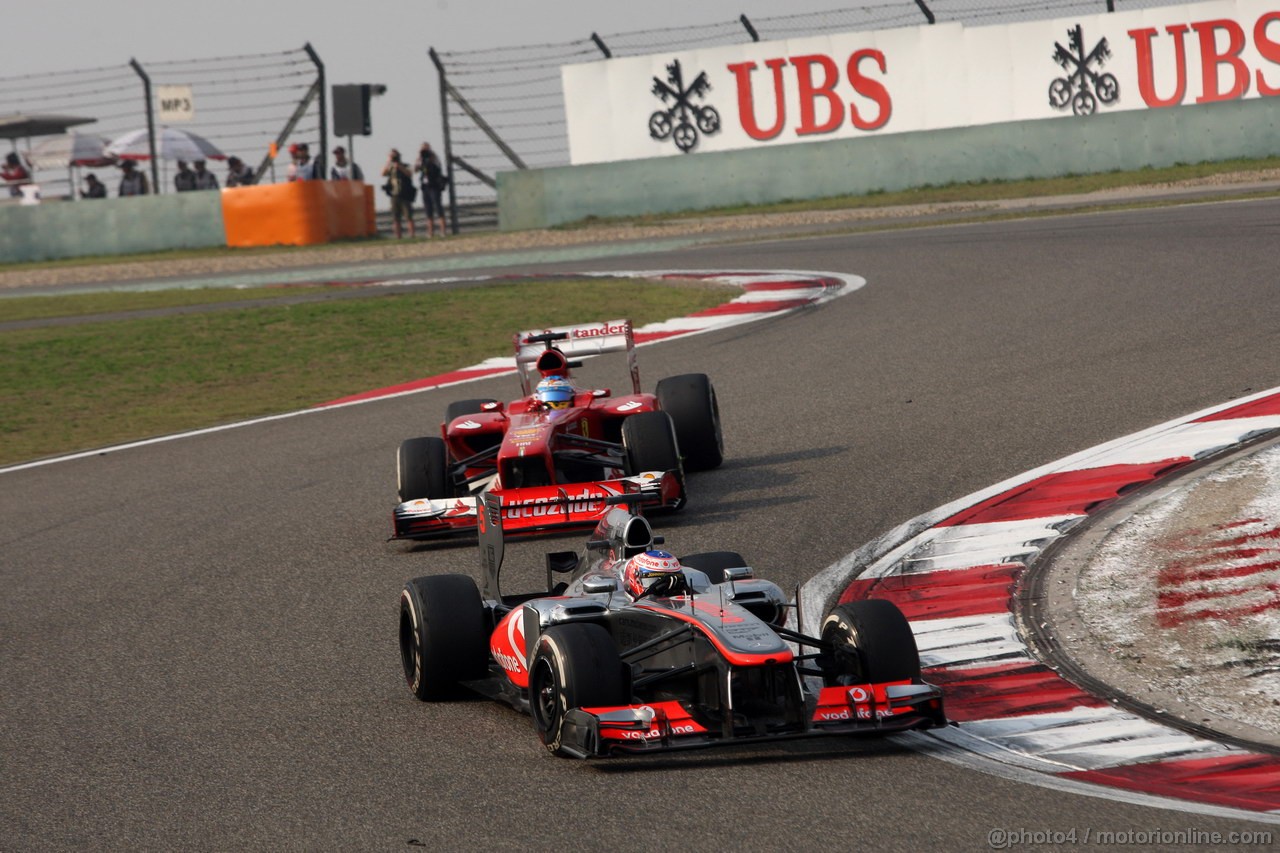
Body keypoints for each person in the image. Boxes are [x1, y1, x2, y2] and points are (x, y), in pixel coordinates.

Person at [621, 550, 689, 600]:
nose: (665, 589)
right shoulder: (619, 601)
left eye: (671, 581)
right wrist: (651, 592)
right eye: (654, 580)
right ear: (635, 579)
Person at [415, 142, 448, 237]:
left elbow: (438, 166)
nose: (424, 150)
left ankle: (443, 231)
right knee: (428, 210)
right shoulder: (421, 159)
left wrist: (430, 155)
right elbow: (416, 169)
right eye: (423, 149)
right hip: (425, 187)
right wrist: (419, 158)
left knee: (438, 208)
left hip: (434, 186)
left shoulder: (434, 157)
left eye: (426, 148)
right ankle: (430, 232)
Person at [381, 149, 416, 238]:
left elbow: (409, 174)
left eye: (395, 156)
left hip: (405, 194)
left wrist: (400, 167)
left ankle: (412, 235)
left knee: (408, 216)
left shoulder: (405, 165)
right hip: (394, 194)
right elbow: (382, 173)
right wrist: (389, 161)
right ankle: (398, 236)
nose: (394, 158)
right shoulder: (390, 167)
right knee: (395, 218)